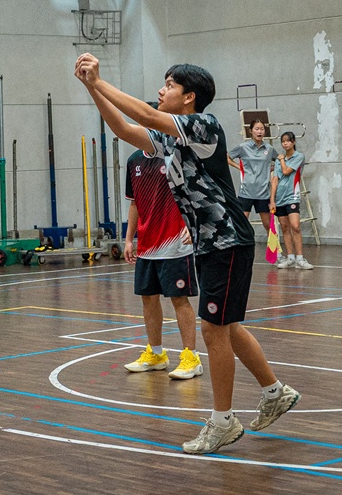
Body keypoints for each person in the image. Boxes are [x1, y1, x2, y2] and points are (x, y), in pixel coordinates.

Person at [74, 53, 300, 455]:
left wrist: (101, 80)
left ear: (189, 96)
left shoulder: (204, 126)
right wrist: (92, 89)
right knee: (227, 326)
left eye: (169, 85)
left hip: (227, 240)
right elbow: (124, 129)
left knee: (213, 329)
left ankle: (222, 422)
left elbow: (144, 114)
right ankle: (274, 392)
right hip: (211, 244)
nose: (161, 91)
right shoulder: (169, 140)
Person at [122, 134, 203, 380]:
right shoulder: (133, 161)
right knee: (148, 298)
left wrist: (191, 224)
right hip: (147, 245)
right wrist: (129, 239)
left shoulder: (175, 157)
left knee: (179, 299)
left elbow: (193, 193)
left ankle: (192, 357)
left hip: (175, 243)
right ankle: (156, 354)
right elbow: (135, 204)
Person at [227, 119, 277, 242]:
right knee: (241, 224)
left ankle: (275, 250)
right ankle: (241, 248)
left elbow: (280, 161)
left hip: (263, 192)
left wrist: (270, 168)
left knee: (268, 225)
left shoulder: (269, 149)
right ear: (251, 131)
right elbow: (226, 157)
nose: (260, 132)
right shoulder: (243, 147)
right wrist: (239, 167)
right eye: (257, 129)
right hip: (246, 191)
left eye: (262, 129)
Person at [270, 131, 313, 270]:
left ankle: (300, 258)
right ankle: (290, 258)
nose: (285, 143)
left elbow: (286, 171)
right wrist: (272, 200)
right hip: (279, 198)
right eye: (283, 141)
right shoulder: (278, 160)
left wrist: (282, 159)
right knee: (284, 227)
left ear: (293, 142)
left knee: (295, 226)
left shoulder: (298, 156)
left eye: (288, 141)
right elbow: (275, 180)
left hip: (292, 196)